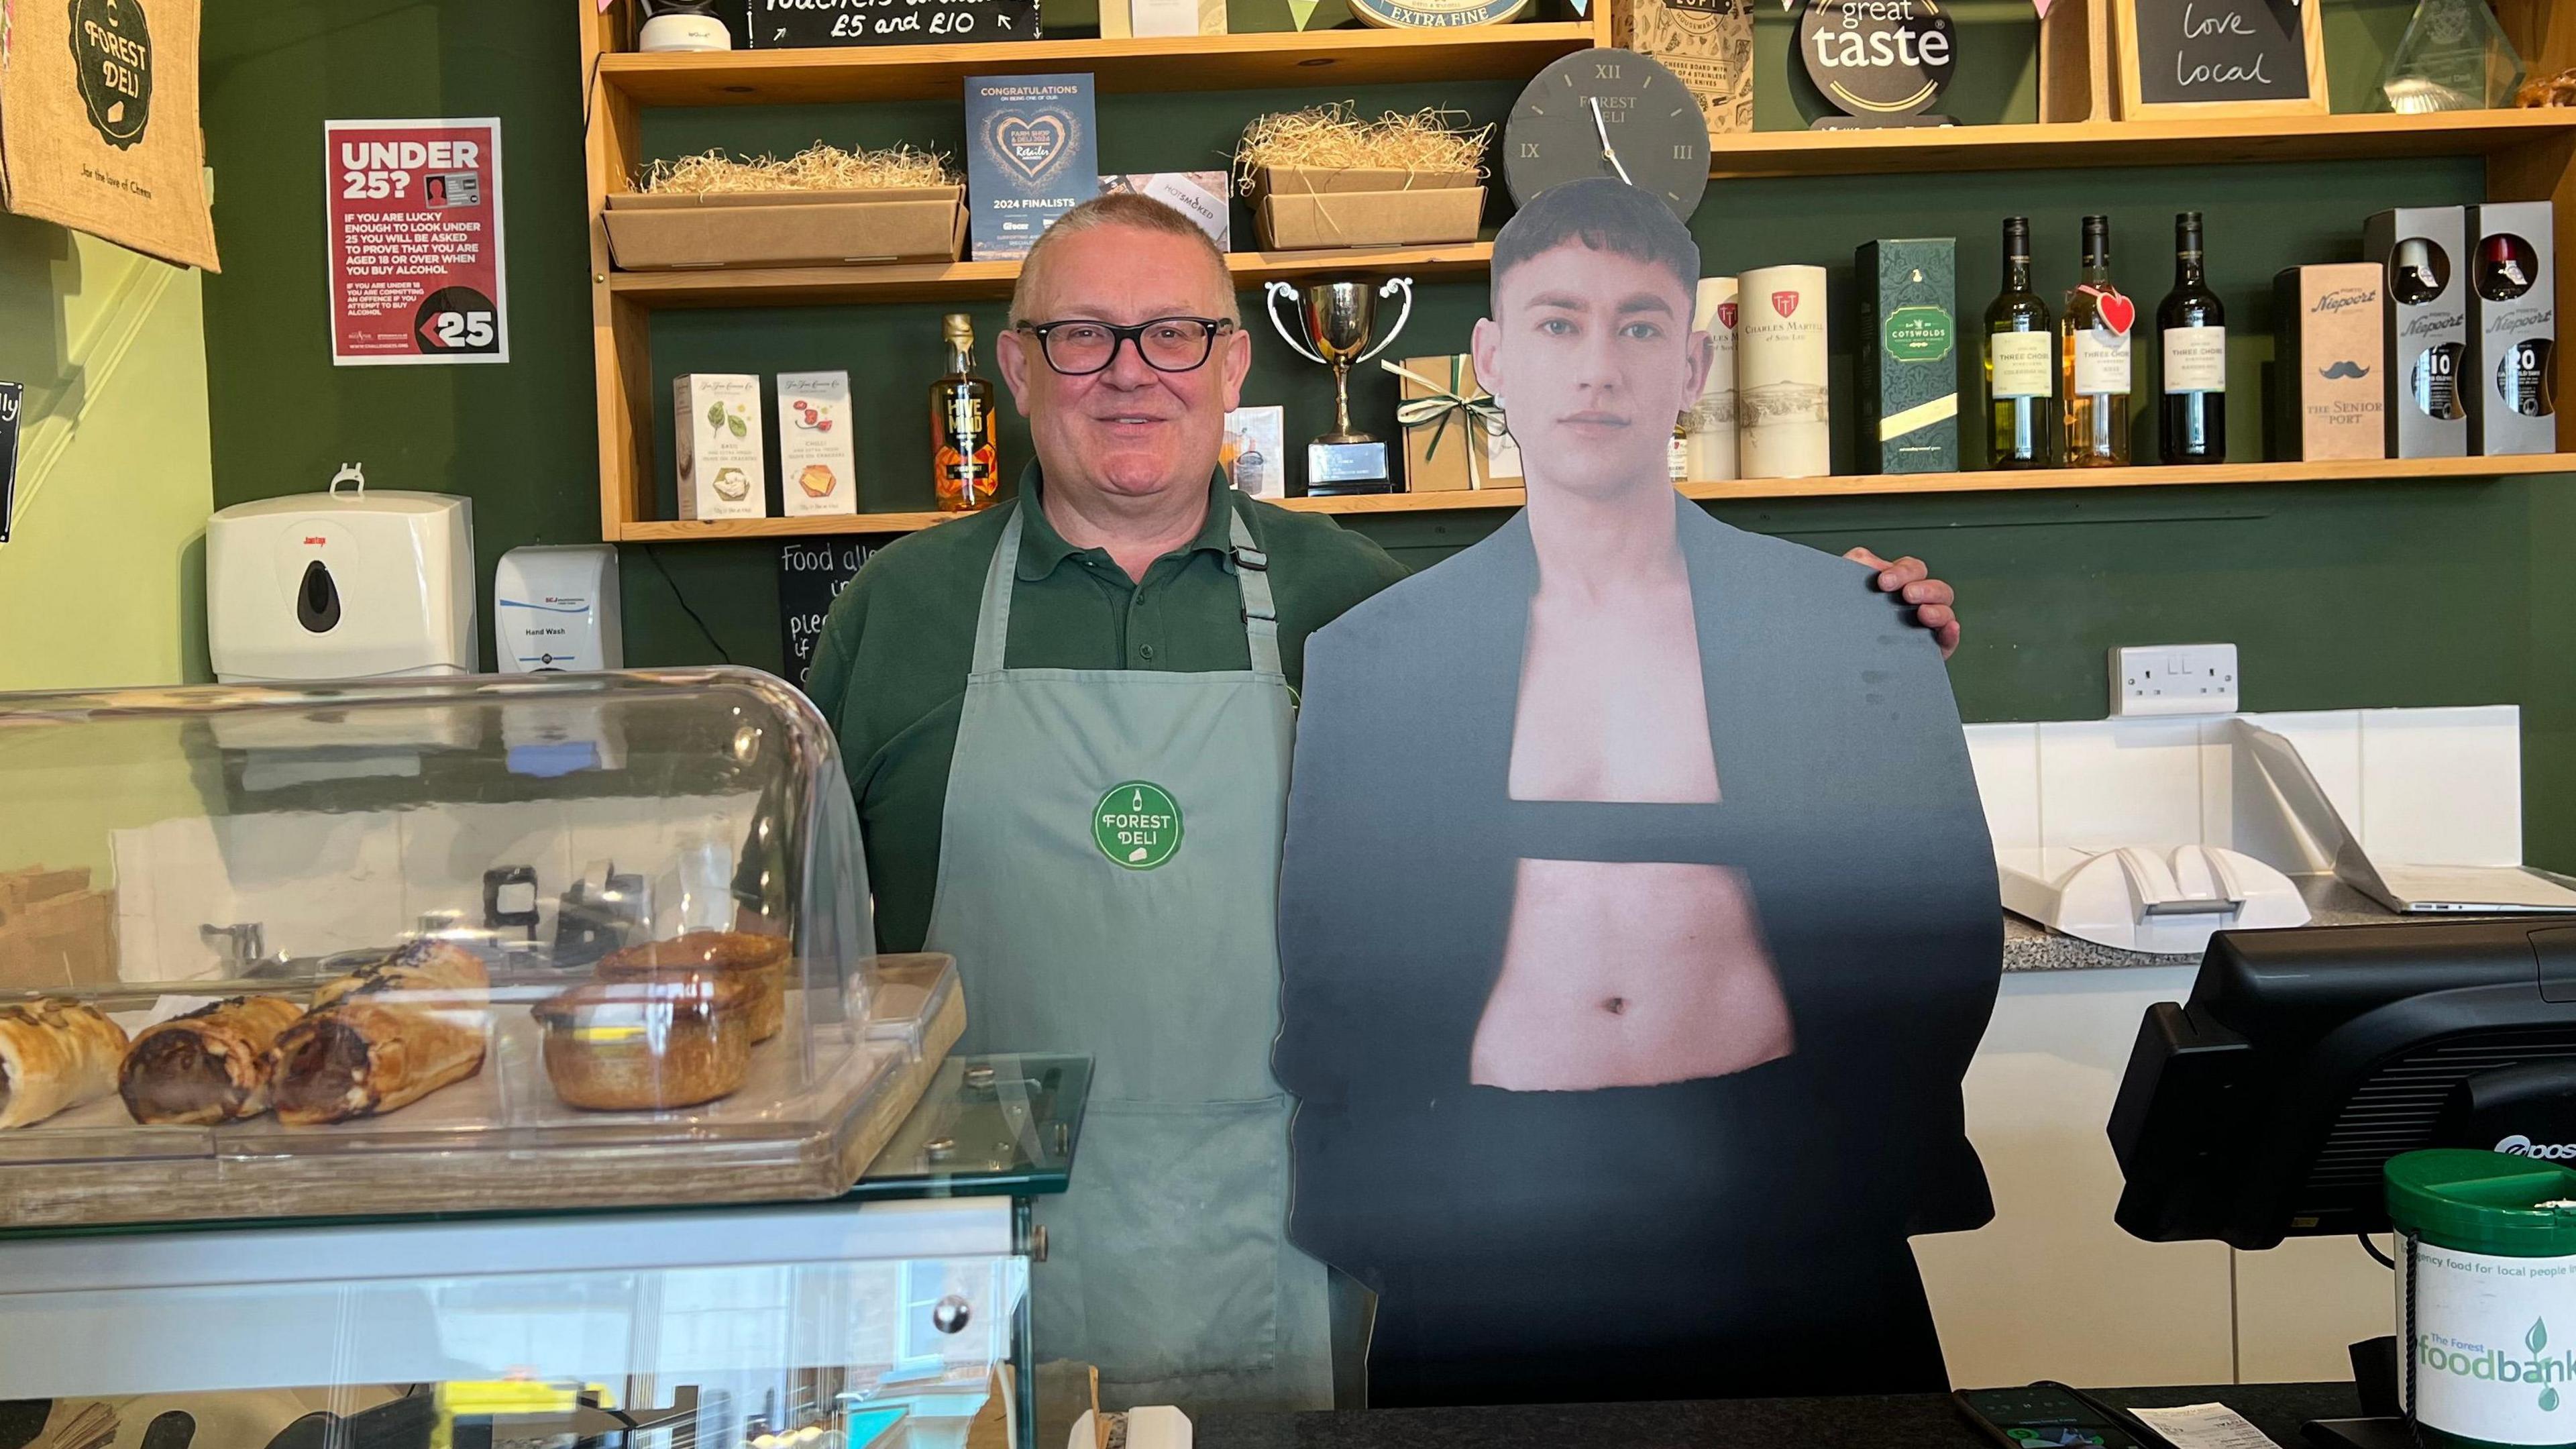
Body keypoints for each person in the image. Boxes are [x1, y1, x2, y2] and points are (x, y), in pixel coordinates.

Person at [799, 192, 1966, 1413]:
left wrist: (1839, 645)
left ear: (1235, 361)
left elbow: (1601, 764)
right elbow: (811, 979)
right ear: (1016, 365)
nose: (1130, 374)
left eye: (1175, 334)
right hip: (976, 1259)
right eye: (1082, 335)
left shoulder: (1358, 601)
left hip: (1296, 1242)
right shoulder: (898, 614)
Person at [1272, 178, 2004, 1409]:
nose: (1598, 368)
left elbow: (1941, 938)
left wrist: (1857, 1156)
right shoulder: (1379, 657)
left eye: (1640, 326)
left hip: (1787, 1212)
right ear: (1494, 357)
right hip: (1486, 1220)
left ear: (1695, 364)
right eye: (1558, 324)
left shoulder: (1844, 629)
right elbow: (1333, 972)